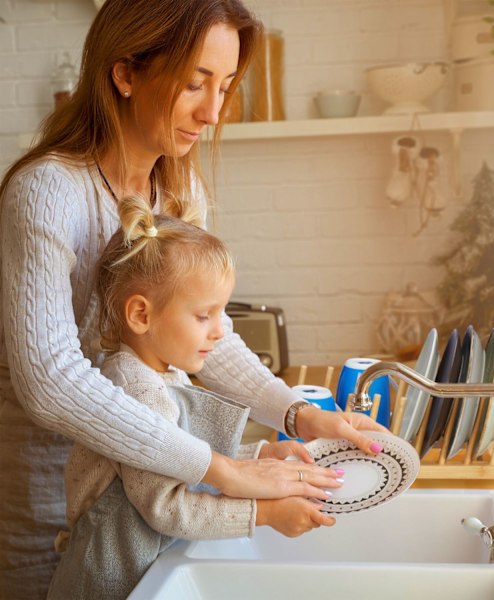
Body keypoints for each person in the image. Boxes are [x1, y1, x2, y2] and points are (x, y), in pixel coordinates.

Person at [0, 1, 387, 597]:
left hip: (146, 491)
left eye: (225, 86)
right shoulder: (48, 191)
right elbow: (51, 379)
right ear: (125, 73)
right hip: (47, 499)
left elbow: (209, 333)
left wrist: (299, 414)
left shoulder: (179, 192)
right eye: (193, 84)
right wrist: (221, 469)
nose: (211, 112)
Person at [47, 194, 341, 599]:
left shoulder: (167, 371)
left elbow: (184, 459)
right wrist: (267, 514)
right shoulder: (138, 389)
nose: (220, 331)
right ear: (141, 315)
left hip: (146, 572)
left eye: (220, 314)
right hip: (109, 583)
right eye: (204, 316)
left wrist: (256, 456)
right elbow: (169, 507)